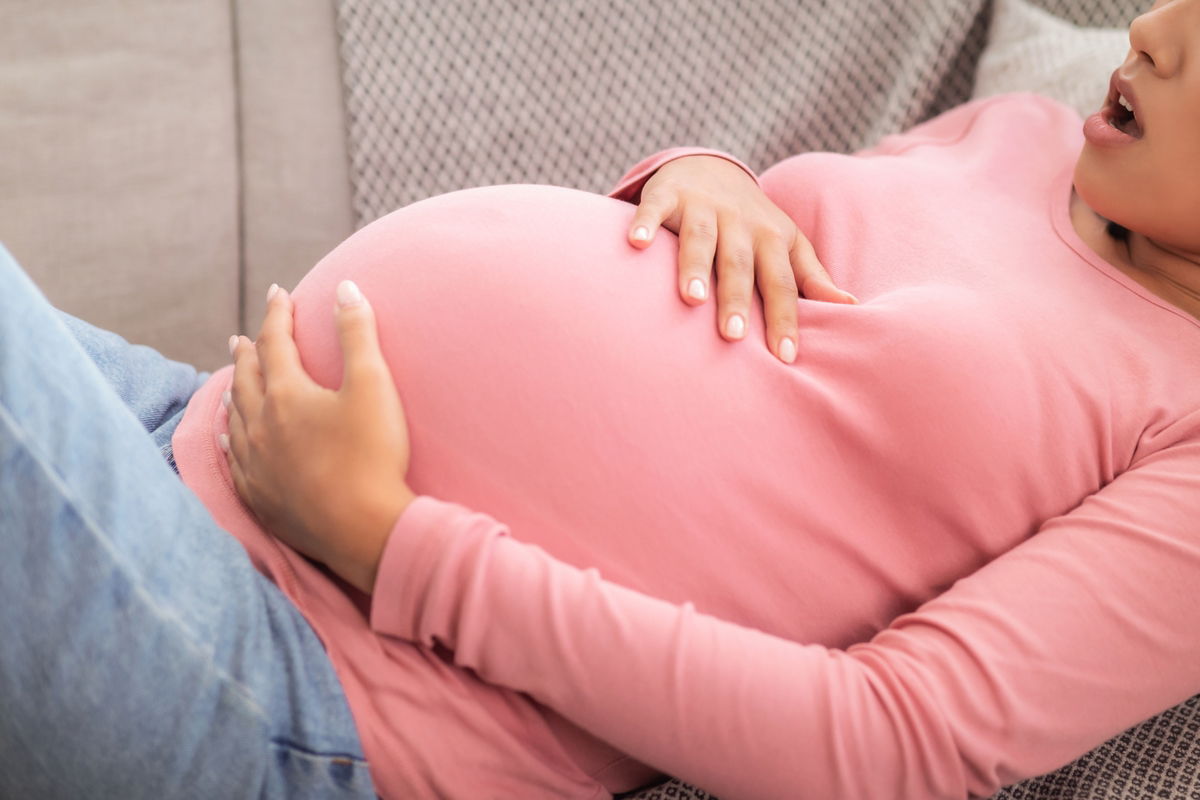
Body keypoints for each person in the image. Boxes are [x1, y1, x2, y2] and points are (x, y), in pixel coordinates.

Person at [5, 1, 1200, 797]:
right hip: (190, 426)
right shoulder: (1029, 134)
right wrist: (704, 177)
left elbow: (890, 739)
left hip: (305, 685)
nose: (1149, 31)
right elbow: (774, 296)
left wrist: (394, 542)